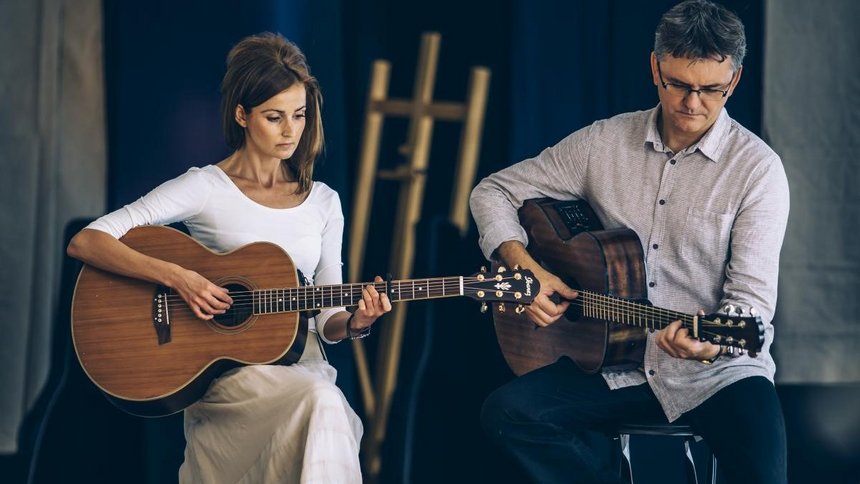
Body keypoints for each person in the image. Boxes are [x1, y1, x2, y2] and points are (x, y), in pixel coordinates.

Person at [470, 1, 789, 483]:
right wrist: (524, 266)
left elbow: (751, 303)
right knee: (507, 413)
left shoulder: (758, 171)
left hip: (719, 372)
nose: (693, 103)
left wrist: (709, 346)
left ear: (735, 80)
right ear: (655, 68)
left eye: (711, 90)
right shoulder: (603, 143)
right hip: (615, 362)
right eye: (678, 84)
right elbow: (493, 191)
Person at [67, 32, 391, 483]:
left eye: (299, 115)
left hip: (303, 368)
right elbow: (87, 241)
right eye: (274, 117)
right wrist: (179, 278)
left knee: (321, 399)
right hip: (228, 378)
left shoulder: (324, 201)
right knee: (322, 402)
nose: (290, 131)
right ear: (242, 115)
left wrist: (357, 323)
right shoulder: (205, 187)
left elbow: (327, 318)